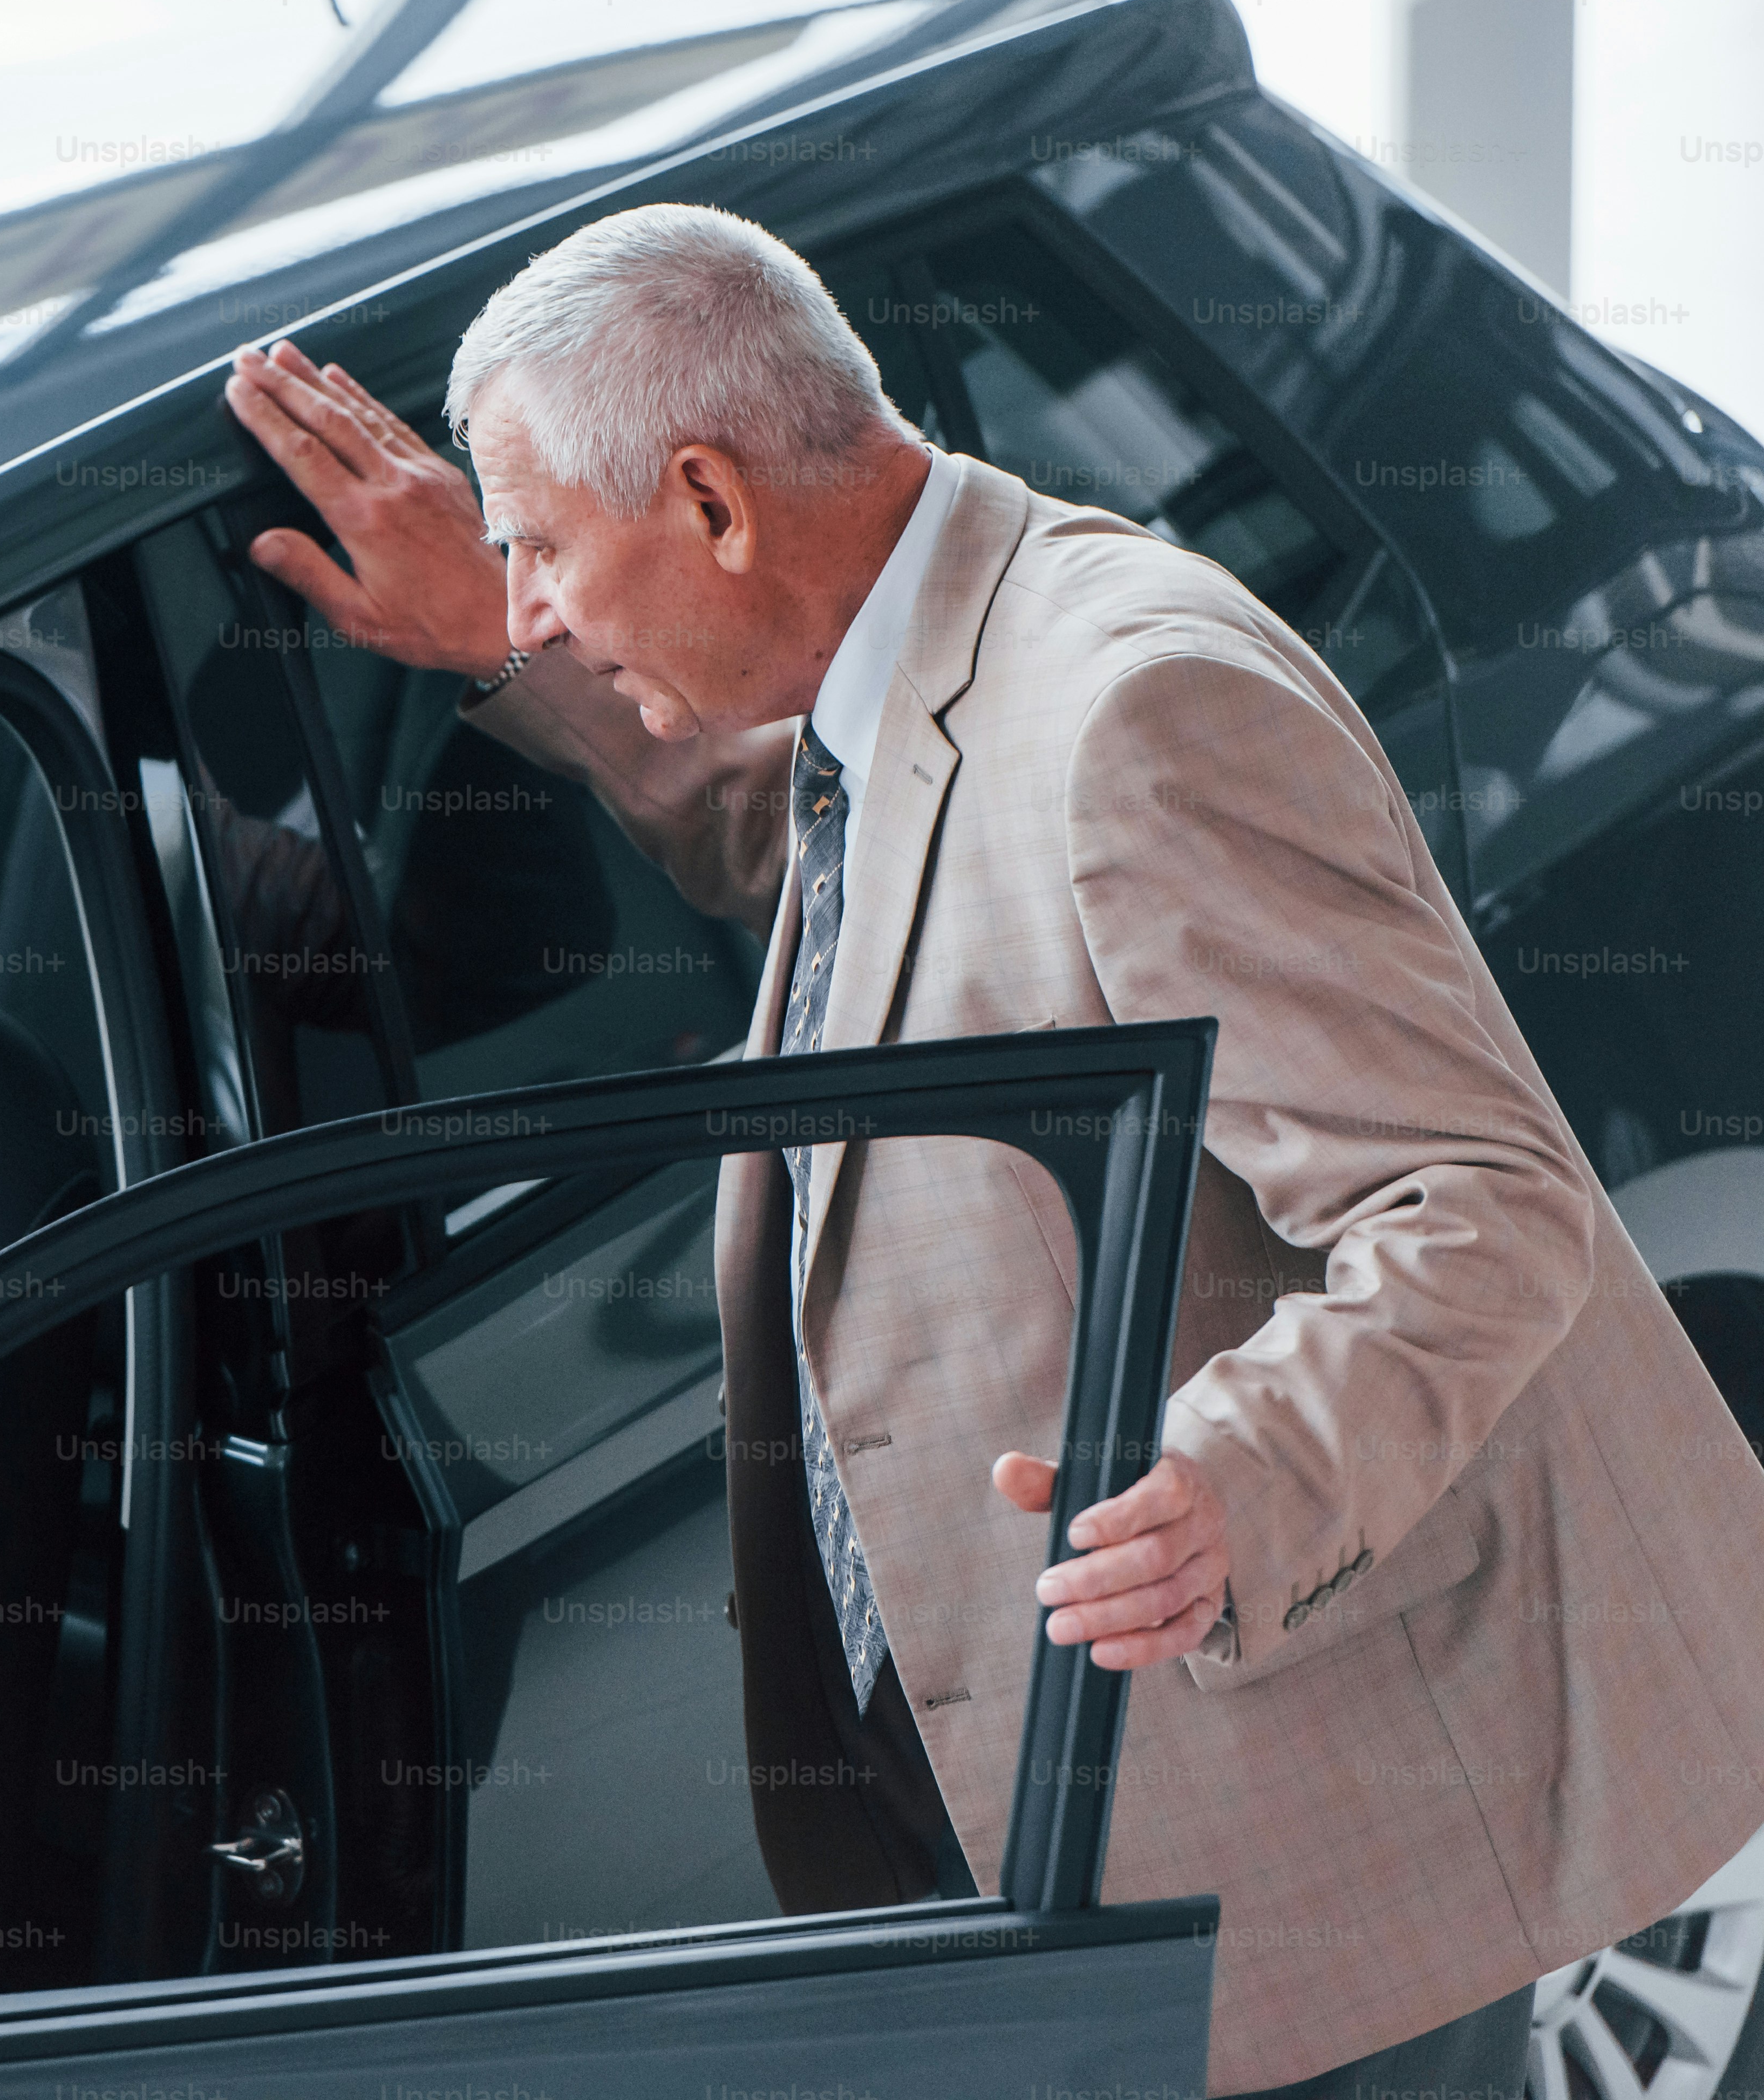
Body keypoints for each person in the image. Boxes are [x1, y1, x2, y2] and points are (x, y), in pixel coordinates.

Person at [223, 201, 1764, 2098]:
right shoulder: (899, 667)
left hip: (1280, 1850)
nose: (528, 599)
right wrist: (509, 650)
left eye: (538, 547)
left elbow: (1480, 1204)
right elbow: (845, 857)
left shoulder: (1137, 712)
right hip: (1027, 1792)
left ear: (710, 503)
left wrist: (1240, 1483)